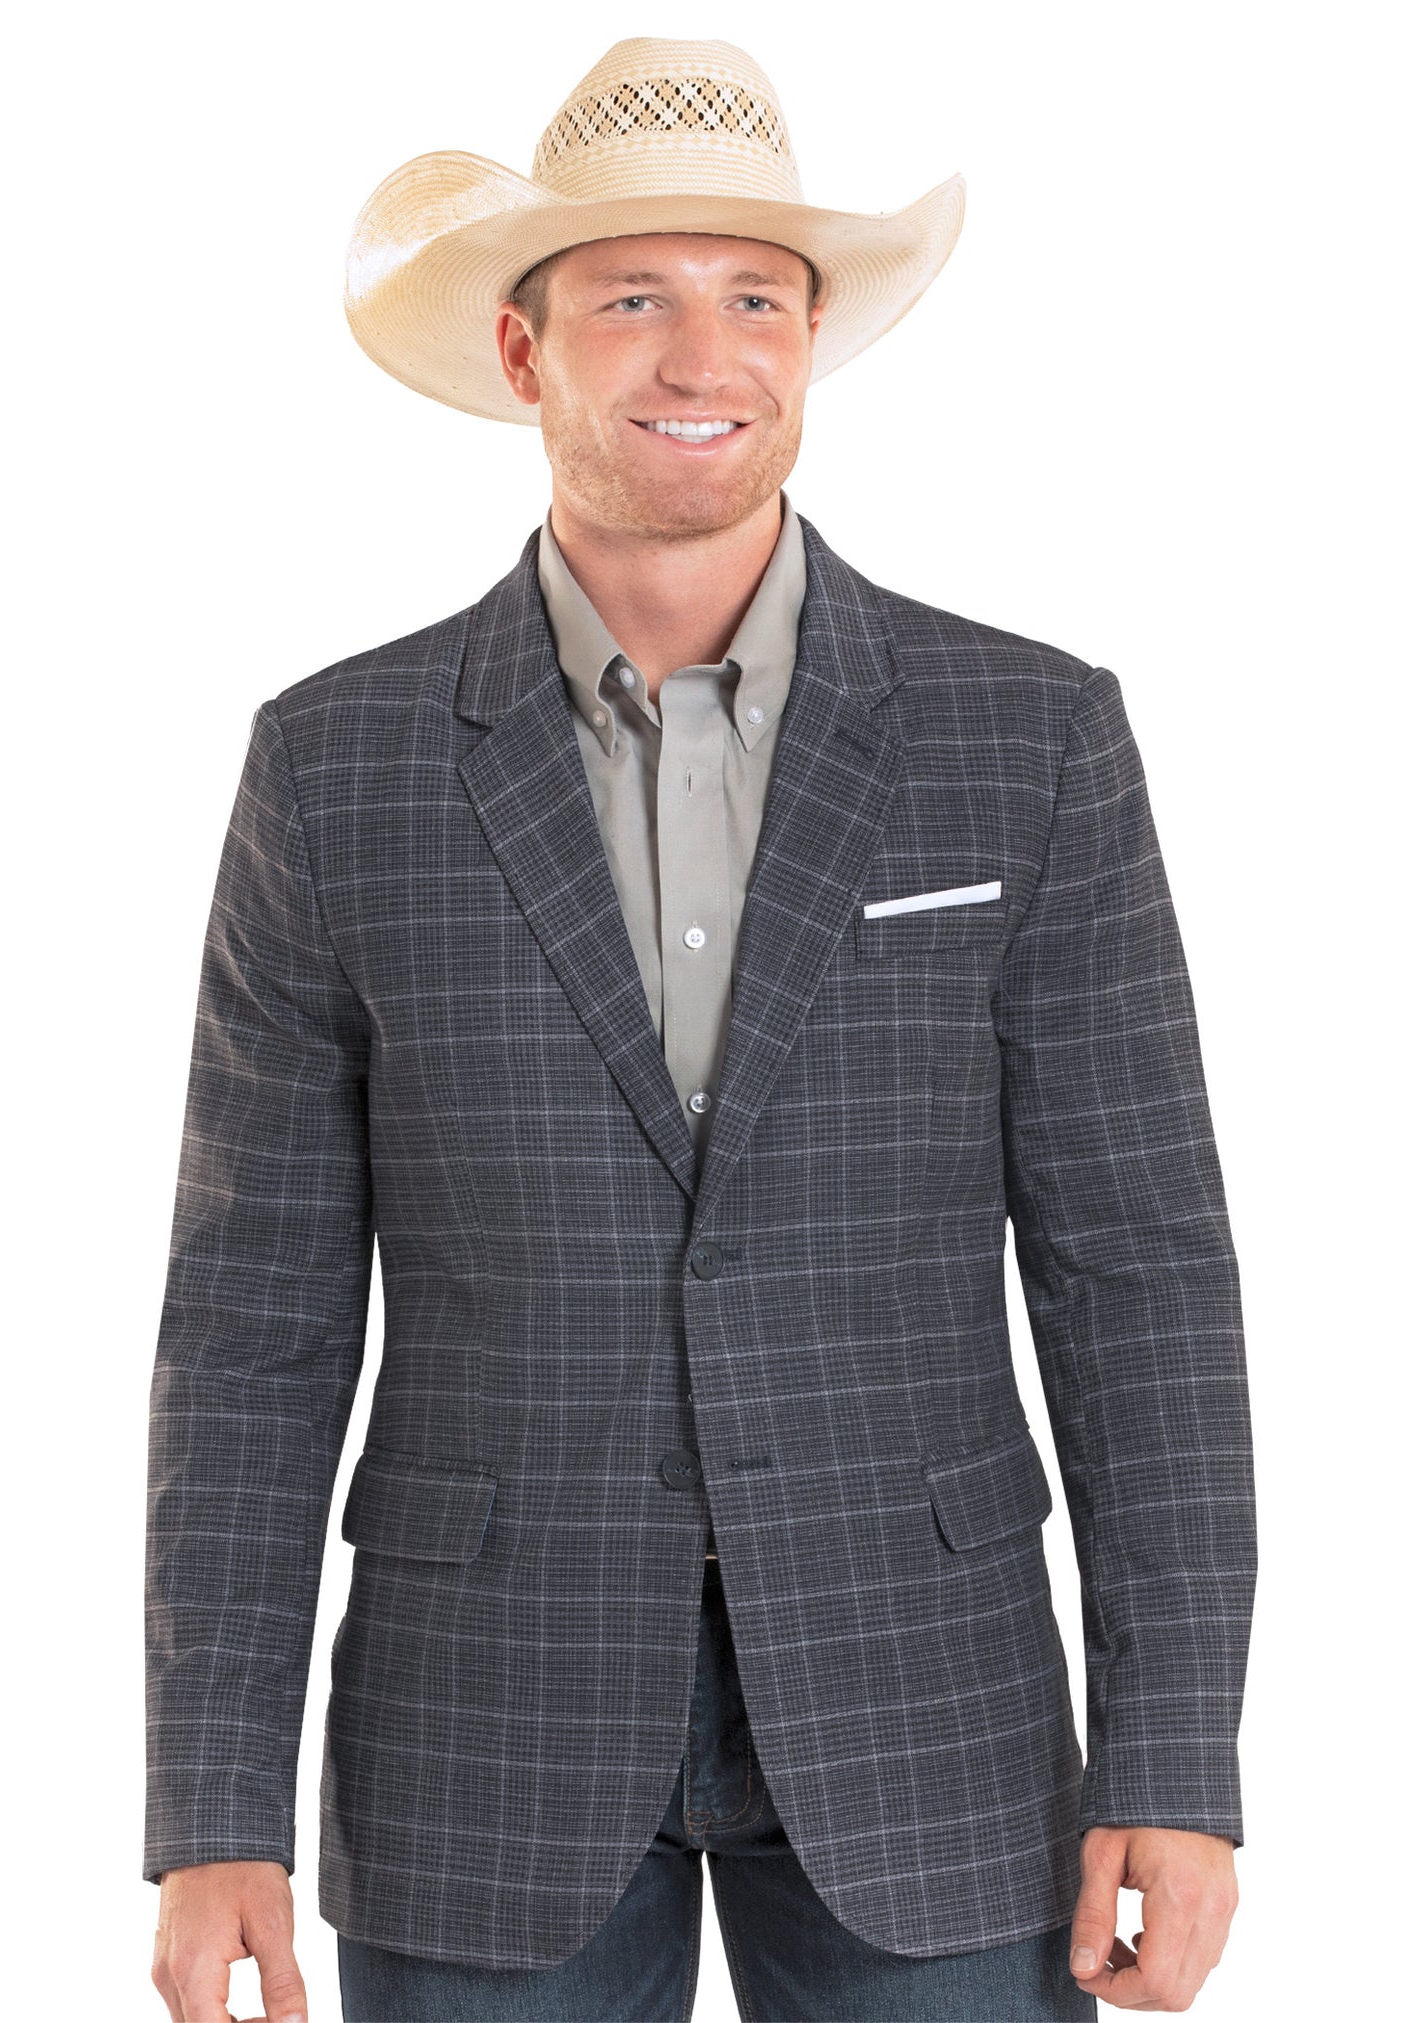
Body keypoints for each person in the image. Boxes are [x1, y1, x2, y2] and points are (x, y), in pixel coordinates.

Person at [144, 36, 1256, 2023]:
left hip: (932, 1710)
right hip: (483, 1724)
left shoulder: (1026, 740)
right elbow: (254, 1323)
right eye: (631, 298)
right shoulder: (337, 766)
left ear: (810, 345)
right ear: (522, 350)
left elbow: (1139, 1272)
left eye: (756, 298)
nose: (701, 355)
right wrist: (213, 1806)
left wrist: (1176, 1755)